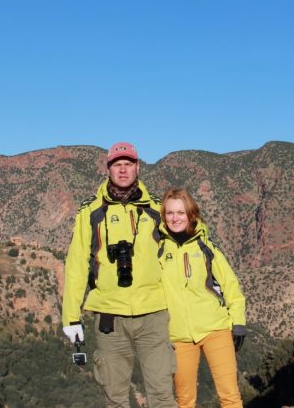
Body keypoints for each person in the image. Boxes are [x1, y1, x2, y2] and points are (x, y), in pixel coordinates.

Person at [61, 142, 176, 408]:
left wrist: (211, 279)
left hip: (154, 313)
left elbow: (184, 241)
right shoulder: (90, 212)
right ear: (108, 169)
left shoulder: (157, 208)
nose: (123, 170)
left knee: (162, 395)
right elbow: (76, 265)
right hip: (109, 315)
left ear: (138, 167)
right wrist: (71, 317)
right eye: (117, 165)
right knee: (115, 398)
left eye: (128, 164)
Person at [158, 188, 246, 408]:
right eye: (170, 213)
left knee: (230, 396)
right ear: (164, 216)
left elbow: (230, 284)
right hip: (178, 336)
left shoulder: (205, 245)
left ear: (191, 214)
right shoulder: (158, 249)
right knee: (184, 401)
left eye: (181, 212)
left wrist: (238, 323)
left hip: (215, 328)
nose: (175, 218)